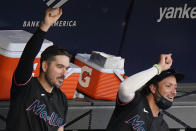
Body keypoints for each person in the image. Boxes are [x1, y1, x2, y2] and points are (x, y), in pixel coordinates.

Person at [6, 8, 72, 131]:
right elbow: (27, 57)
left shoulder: (61, 98)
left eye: (67, 68)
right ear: (45, 66)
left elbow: (60, 128)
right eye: (59, 67)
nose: (64, 73)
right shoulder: (25, 86)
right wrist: (45, 26)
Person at [106, 54, 184, 131]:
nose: (174, 92)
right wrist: (158, 68)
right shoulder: (134, 101)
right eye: (168, 86)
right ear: (153, 88)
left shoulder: (162, 127)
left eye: (175, 87)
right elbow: (125, 88)